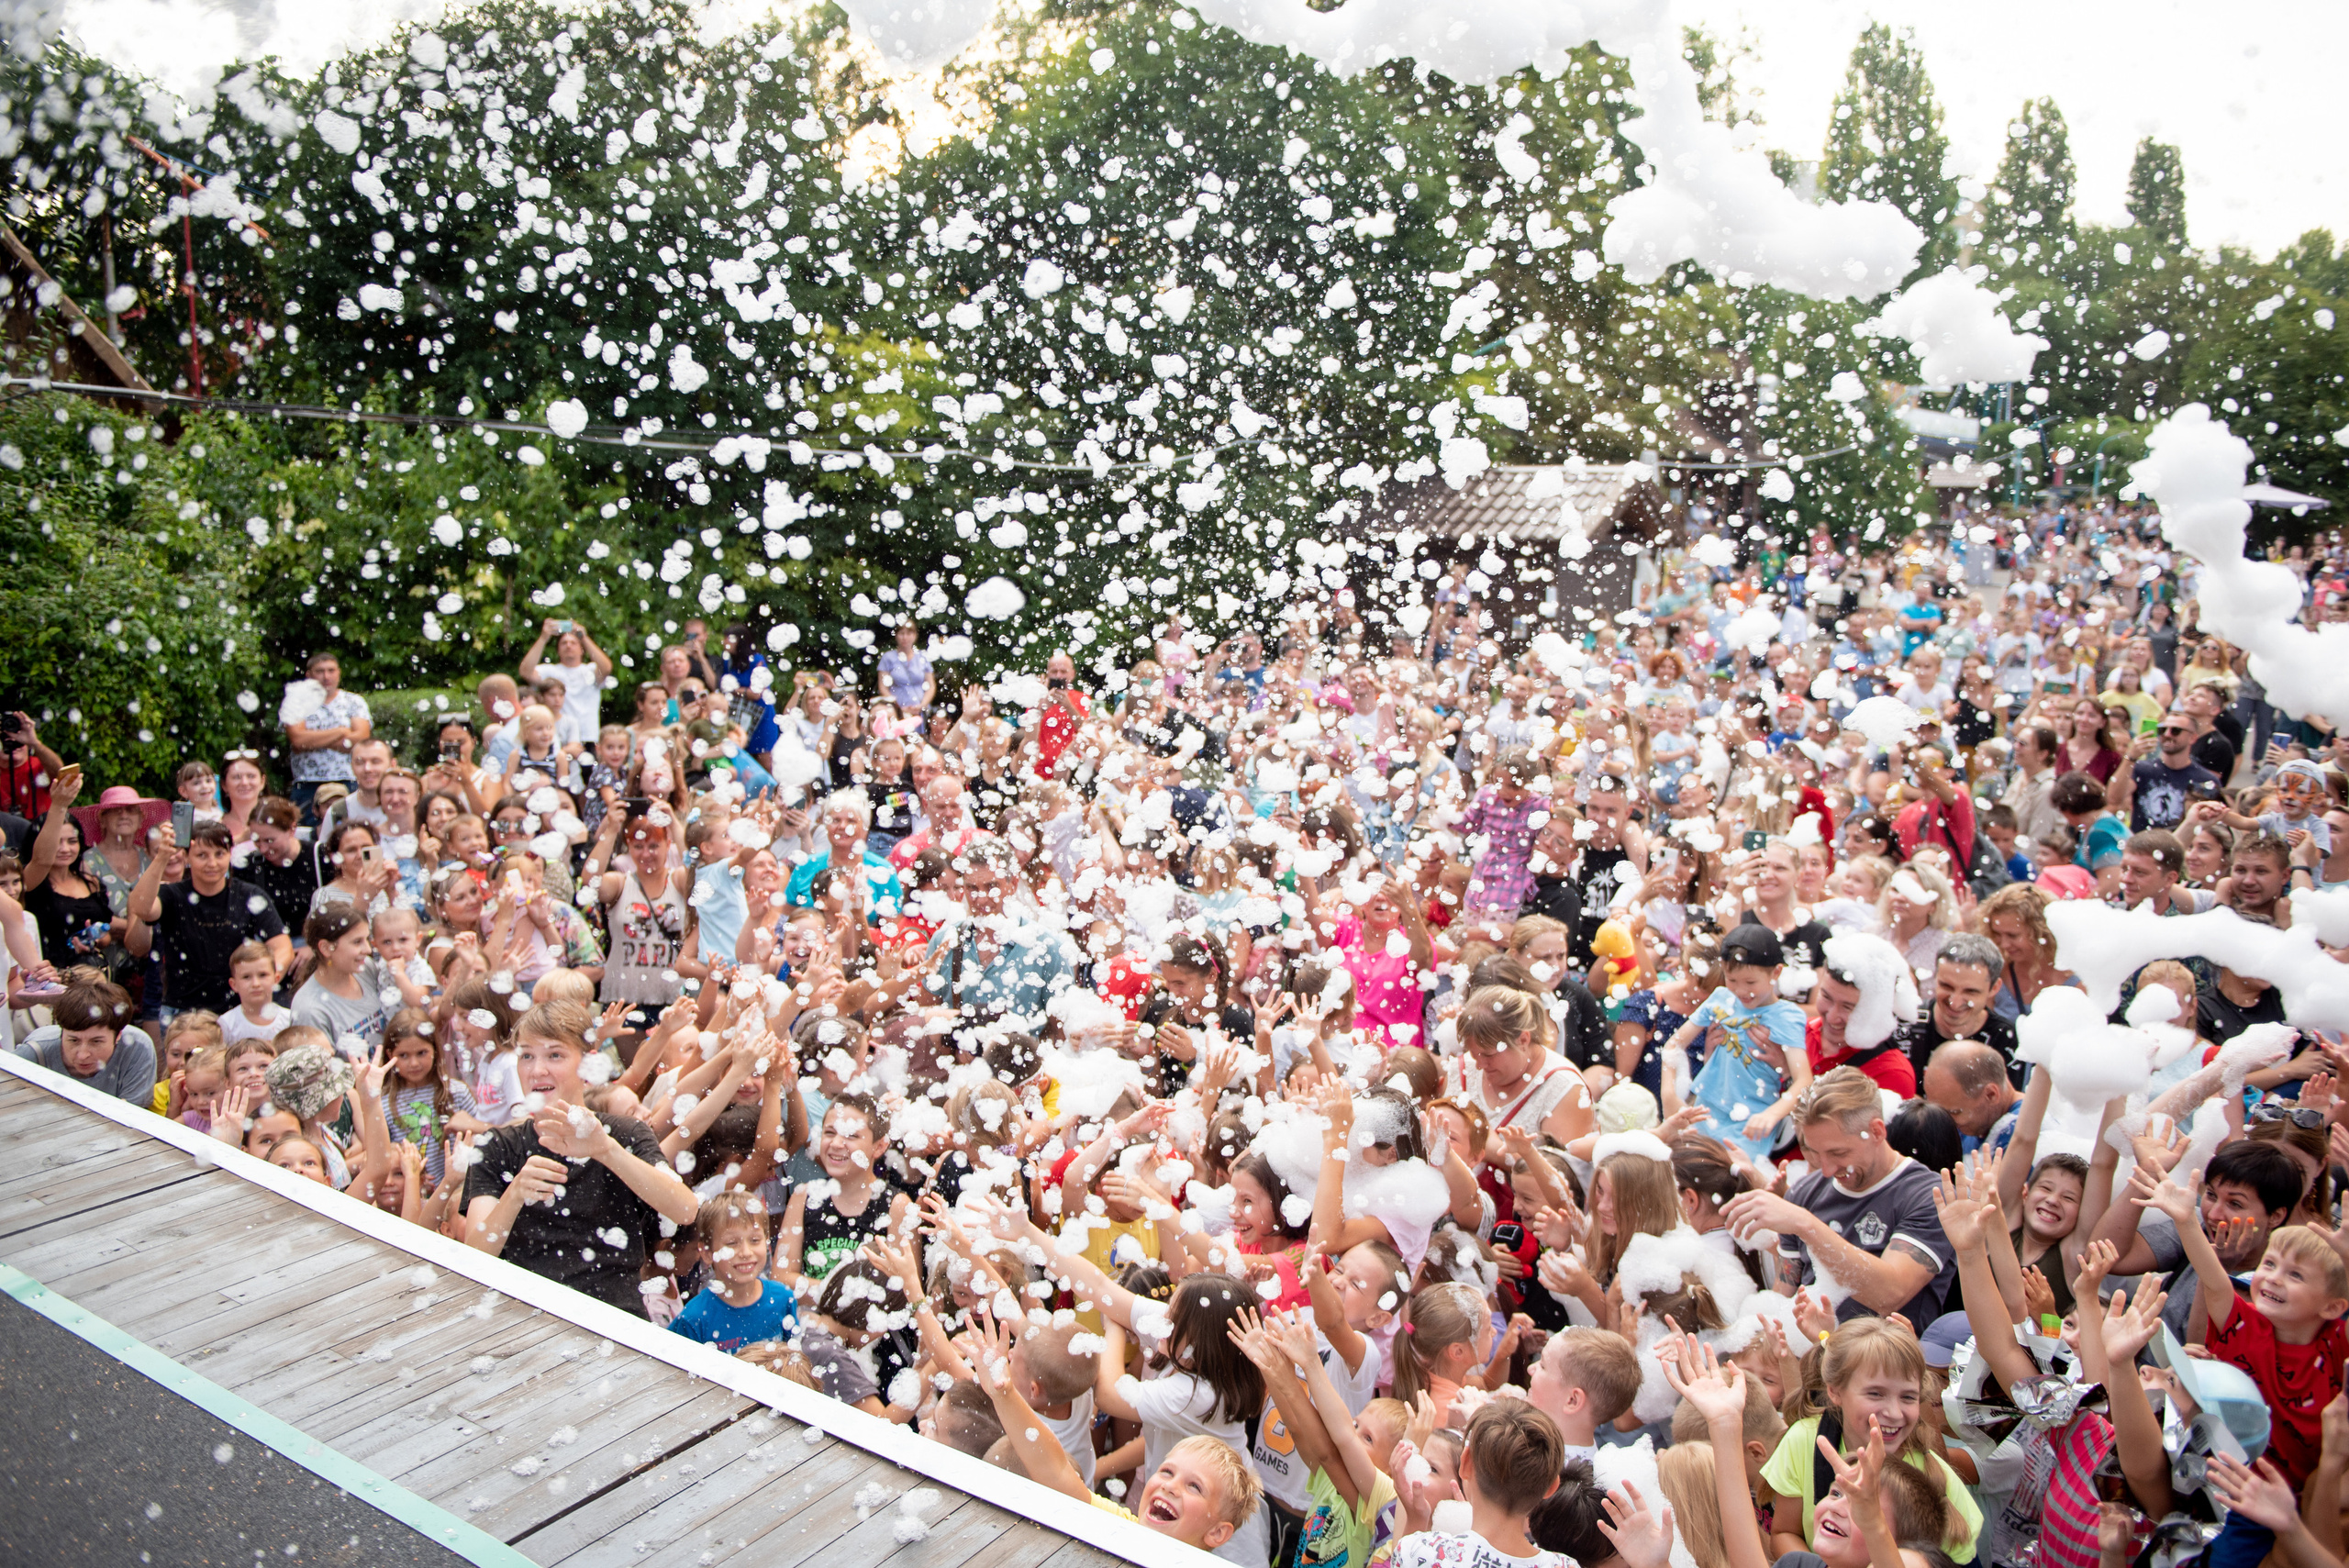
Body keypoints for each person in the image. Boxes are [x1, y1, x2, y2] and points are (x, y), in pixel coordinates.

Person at [462, 999, 698, 1316]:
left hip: (613, 1319)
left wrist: (607, 1150)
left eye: (554, 1054)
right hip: (521, 1321)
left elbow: (684, 1209)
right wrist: (515, 1193)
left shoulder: (625, 1135)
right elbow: (474, 1255)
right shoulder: (497, 1146)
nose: (537, 1069)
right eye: (527, 1055)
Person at [1722, 1067, 1957, 1325]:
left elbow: (1890, 1295)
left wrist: (1807, 1225)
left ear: (1877, 1131)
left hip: (1883, 1361)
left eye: (1838, 1153)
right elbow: (1781, 1302)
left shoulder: (1929, 1195)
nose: (1826, 1169)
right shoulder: (1805, 1192)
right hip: (1811, 1357)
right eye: (1813, 1152)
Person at [124, 821, 292, 1018]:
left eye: (219, 854)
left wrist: (261, 981)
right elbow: (141, 908)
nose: (212, 863)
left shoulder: (249, 895)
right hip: (183, 1011)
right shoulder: (173, 895)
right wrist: (162, 857)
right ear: (187, 857)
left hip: (239, 1009)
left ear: (230, 854)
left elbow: (282, 947)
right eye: (202, 855)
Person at [14, 970, 158, 1106]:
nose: (83, 1055)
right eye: (73, 1040)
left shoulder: (138, 1048)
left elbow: (132, 1120)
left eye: (96, 1041)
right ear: (61, 1031)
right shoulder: (33, 1052)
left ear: (118, 1035)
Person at [1893, 936, 2017, 1085]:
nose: (1955, 1002)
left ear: (1994, 988)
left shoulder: (2004, 1038)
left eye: (1970, 992)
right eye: (1947, 986)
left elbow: (2008, 1105)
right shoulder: (1904, 1020)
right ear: (1935, 977)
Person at [283, 651, 373, 816]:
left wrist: (313, 740)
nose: (326, 676)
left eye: (331, 670)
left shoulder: (354, 701)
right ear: (309, 675)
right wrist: (342, 732)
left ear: (339, 672)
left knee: (350, 832)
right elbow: (298, 740)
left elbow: (361, 740)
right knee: (305, 835)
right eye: (320, 671)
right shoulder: (296, 702)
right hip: (308, 783)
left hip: (348, 781)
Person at [518, 617, 614, 746]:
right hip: (556, 737)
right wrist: (543, 638)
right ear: (558, 650)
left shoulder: (590, 671)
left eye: (573, 643)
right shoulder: (550, 671)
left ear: (582, 649)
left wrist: (583, 637)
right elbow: (525, 672)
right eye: (564, 643)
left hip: (587, 737)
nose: (568, 645)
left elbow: (606, 667)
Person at [878, 619, 935, 717]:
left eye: (909, 633)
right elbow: (883, 688)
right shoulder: (888, 658)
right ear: (896, 636)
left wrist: (922, 705)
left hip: (920, 711)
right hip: (898, 711)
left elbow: (931, 686)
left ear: (915, 635)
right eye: (901, 633)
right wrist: (898, 708)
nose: (905, 637)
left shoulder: (922, 657)